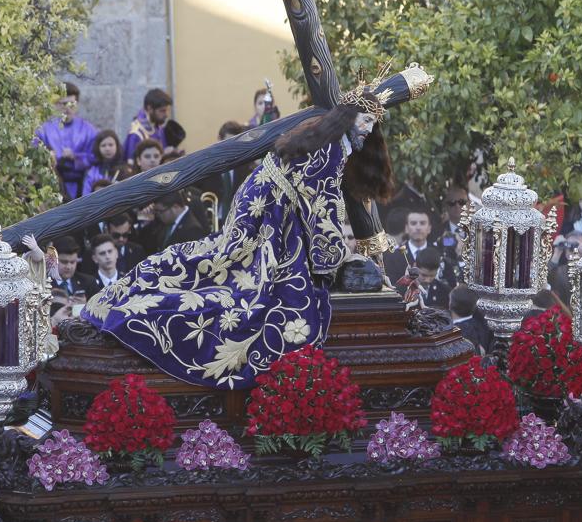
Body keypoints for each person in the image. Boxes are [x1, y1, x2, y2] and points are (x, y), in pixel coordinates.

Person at [83, 86, 388, 390]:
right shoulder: (333, 148)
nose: (368, 129)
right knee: (242, 277)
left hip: (264, 198)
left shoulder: (327, 136)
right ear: (348, 118)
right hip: (269, 205)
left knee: (226, 258)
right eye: (365, 120)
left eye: (373, 123)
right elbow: (322, 205)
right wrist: (337, 256)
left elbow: (317, 202)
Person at [34, 82, 98, 201]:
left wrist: (76, 157)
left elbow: (97, 157)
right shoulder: (43, 130)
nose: (67, 108)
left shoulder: (89, 130)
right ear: (55, 104)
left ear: (77, 104)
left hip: (83, 187)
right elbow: (33, 156)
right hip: (51, 188)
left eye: (71, 104)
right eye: (63, 104)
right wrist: (49, 157)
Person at [139, 192, 206, 255]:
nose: (158, 215)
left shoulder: (193, 229)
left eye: (160, 211)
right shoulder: (165, 222)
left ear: (175, 207)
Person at [384, 209, 435, 284]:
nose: (418, 227)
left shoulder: (439, 252)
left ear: (429, 228)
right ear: (406, 228)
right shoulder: (393, 256)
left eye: (422, 223)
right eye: (413, 223)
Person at [124, 88, 173, 159]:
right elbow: (135, 164)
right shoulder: (137, 133)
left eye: (167, 110)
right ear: (149, 108)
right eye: (162, 111)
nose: (166, 115)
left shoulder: (157, 125)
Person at [81, 129, 127, 197]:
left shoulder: (125, 170)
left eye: (111, 145)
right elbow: (85, 196)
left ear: (117, 146)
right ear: (98, 148)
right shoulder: (91, 172)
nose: (107, 149)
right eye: (103, 145)